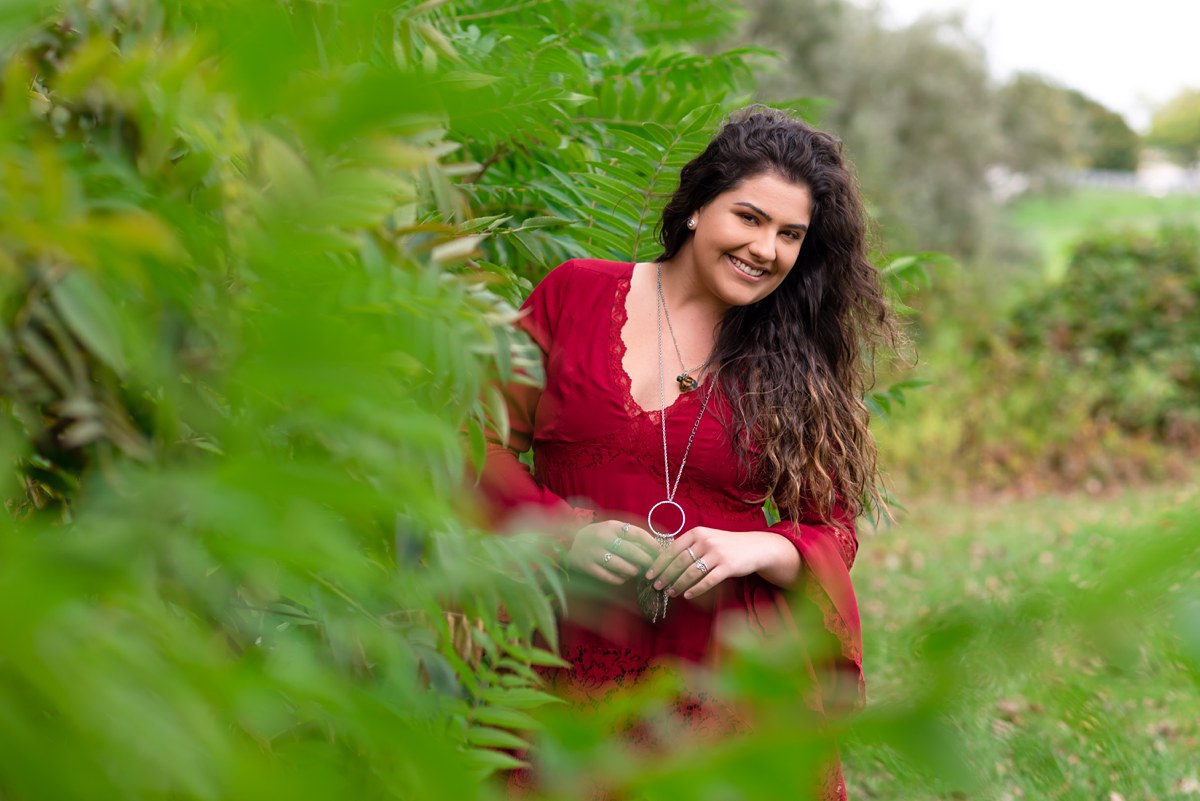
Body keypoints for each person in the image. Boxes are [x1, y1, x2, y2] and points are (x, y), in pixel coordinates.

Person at [476, 106, 899, 801]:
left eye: (791, 235)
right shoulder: (574, 294)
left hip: (719, 680)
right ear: (700, 206)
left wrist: (753, 549)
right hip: (563, 655)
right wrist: (559, 533)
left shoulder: (792, 360)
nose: (767, 248)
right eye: (750, 217)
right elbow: (476, 445)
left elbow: (832, 529)